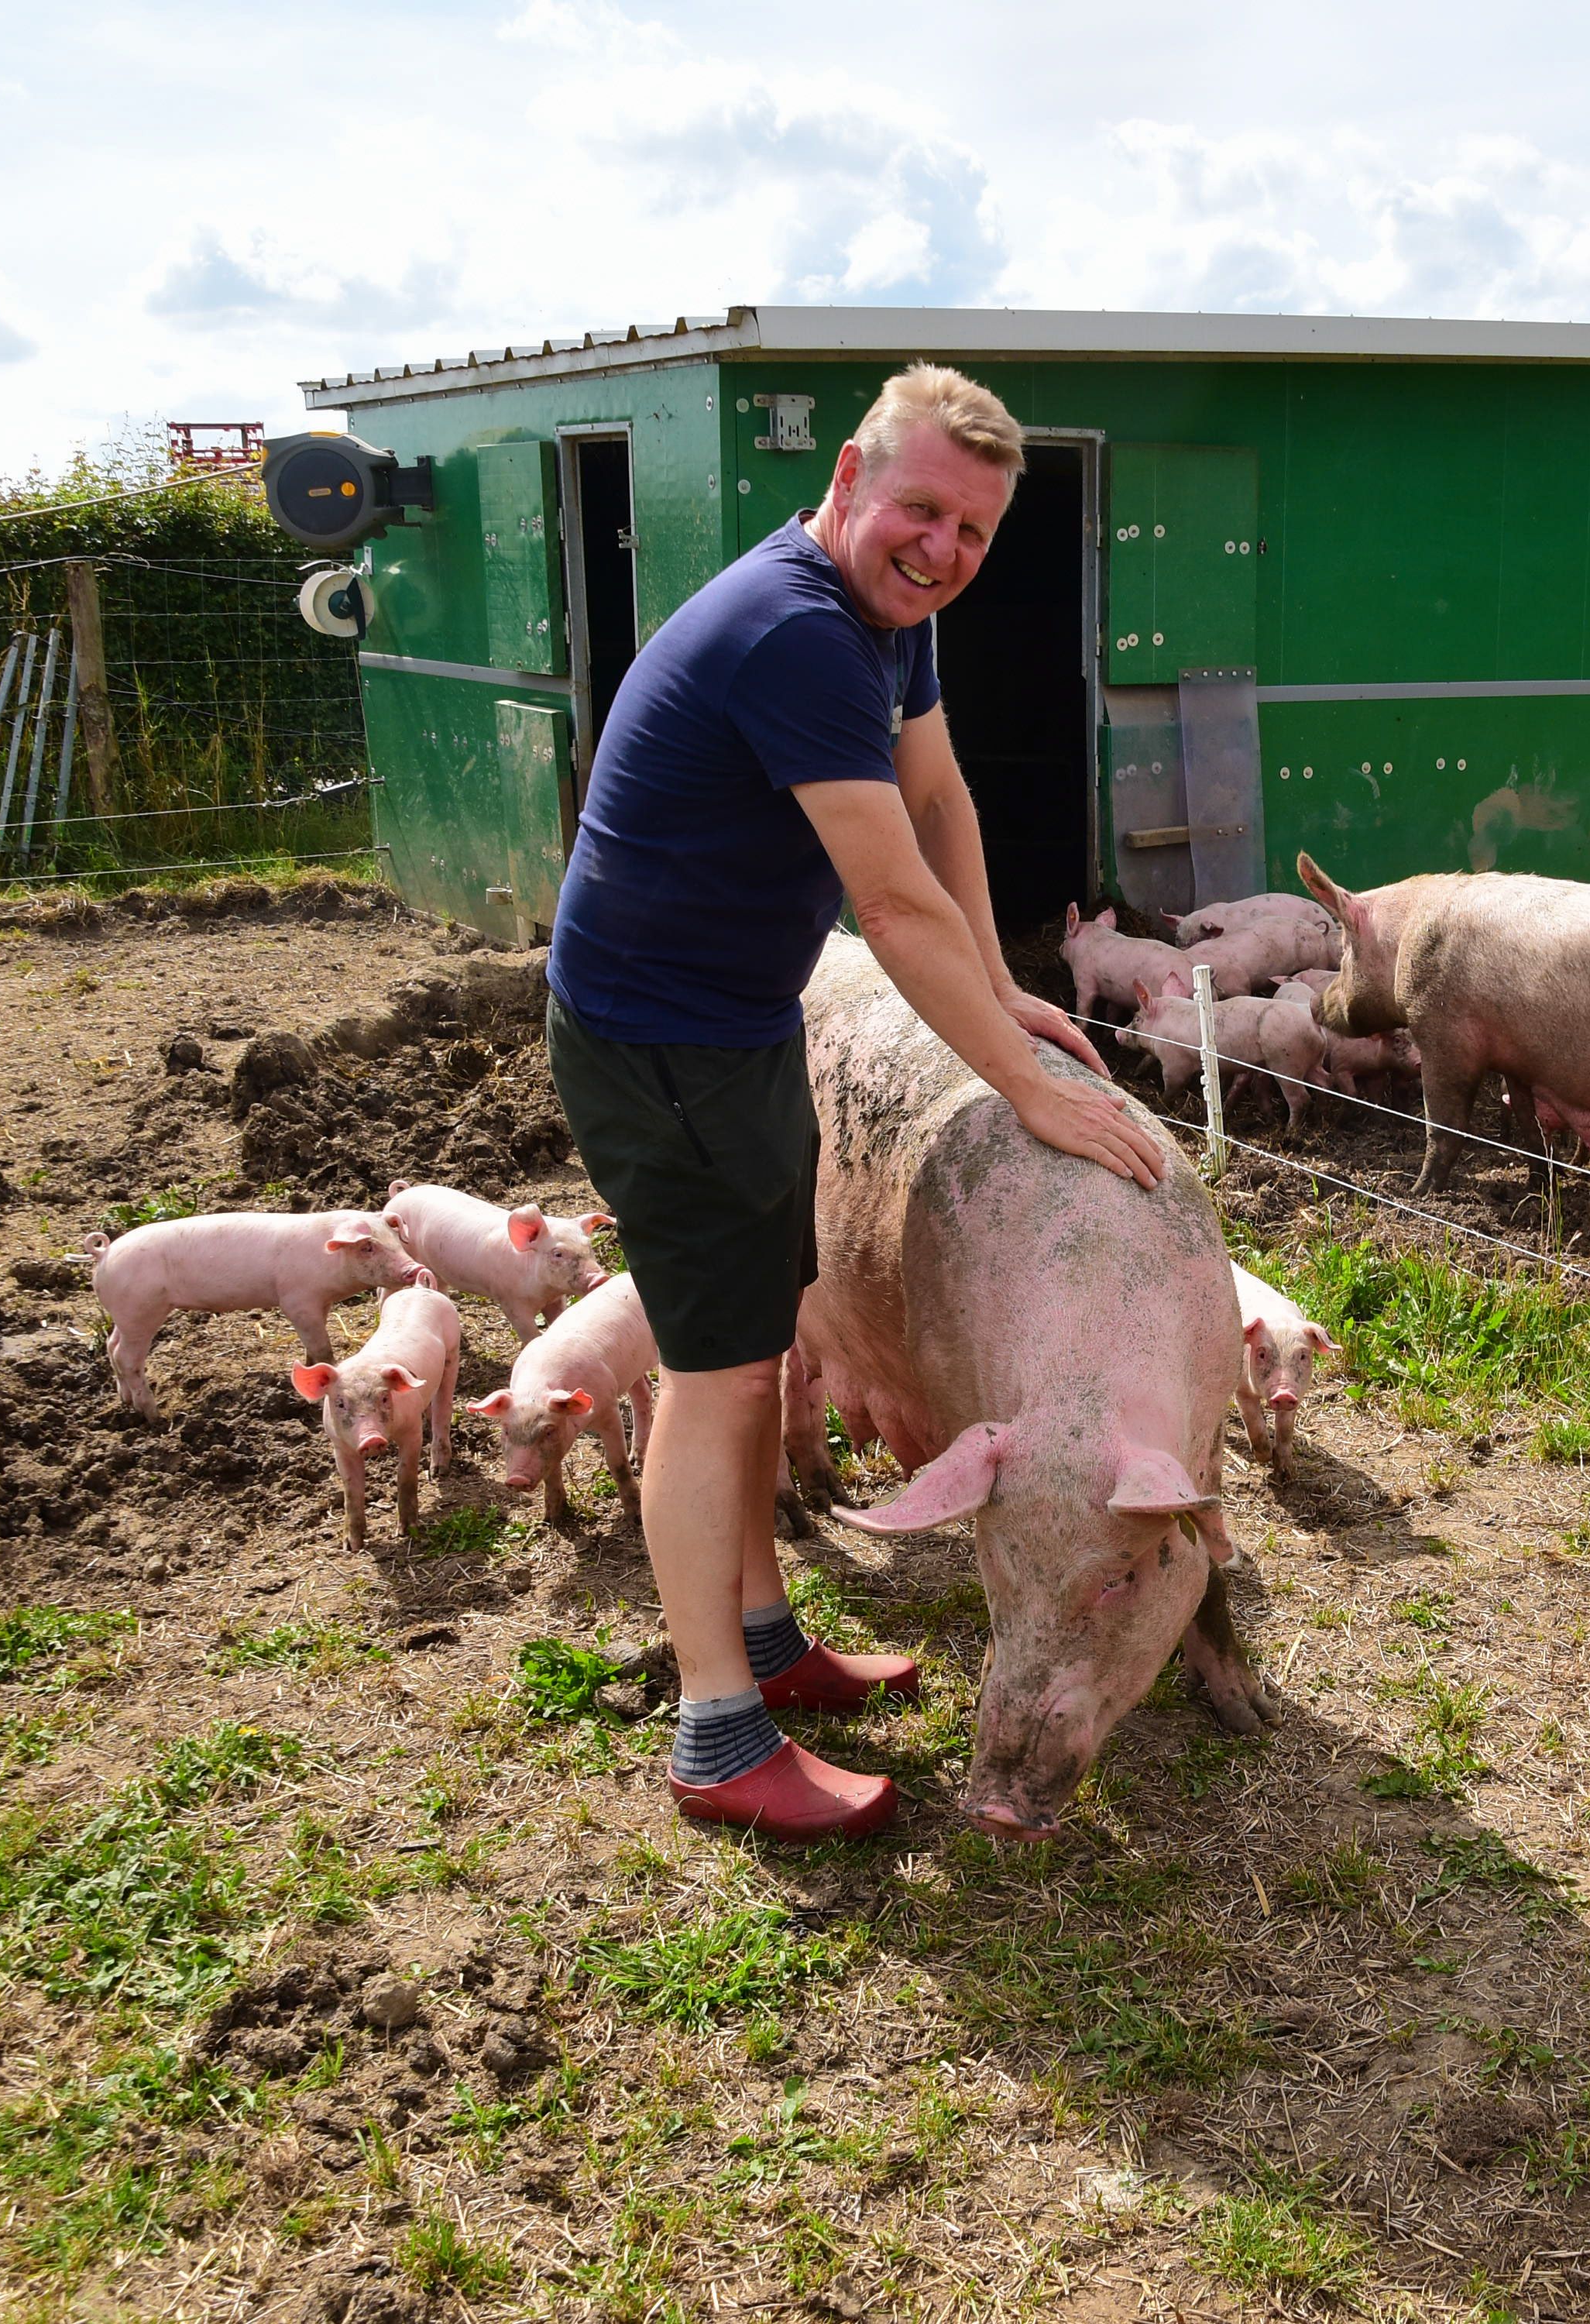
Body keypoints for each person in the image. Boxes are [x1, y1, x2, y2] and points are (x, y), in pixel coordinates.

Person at [542, 363, 1165, 1843]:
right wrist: (1023, 1084)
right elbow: (886, 901)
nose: (943, 549)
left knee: (757, 1350)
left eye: (974, 530)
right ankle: (714, 1732)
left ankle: (764, 1642)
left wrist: (1009, 985)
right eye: (923, 509)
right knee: (714, 1377)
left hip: (739, 1026)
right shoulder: (795, 635)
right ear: (845, 478)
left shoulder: (894, 625)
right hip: (658, 1045)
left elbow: (939, 807)